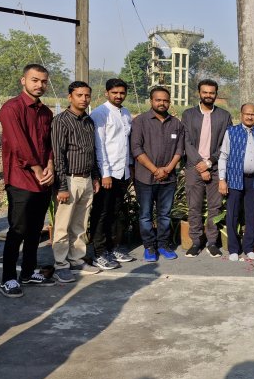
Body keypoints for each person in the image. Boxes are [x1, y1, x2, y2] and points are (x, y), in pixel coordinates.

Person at [0, 64, 56, 297]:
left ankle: (28, 272)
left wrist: (50, 165)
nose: (39, 85)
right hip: (21, 178)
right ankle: (8, 278)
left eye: (43, 81)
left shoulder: (45, 112)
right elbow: (18, 143)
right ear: (23, 80)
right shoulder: (11, 109)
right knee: (18, 229)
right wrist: (37, 168)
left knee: (34, 229)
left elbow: (48, 144)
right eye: (34, 80)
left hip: (42, 178)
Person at [51, 81, 100, 283]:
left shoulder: (89, 121)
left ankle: (77, 259)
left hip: (86, 179)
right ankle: (60, 265)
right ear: (70, 97)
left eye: (87, 95)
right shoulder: (61, 121)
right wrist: (62, 186)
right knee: (62, 226)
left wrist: (95, 176)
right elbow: (58, 156)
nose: (84, 99)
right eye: (79, 95)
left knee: (80, 224)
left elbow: (92, 151)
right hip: (69, 180)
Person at [130, 86, 185, 262]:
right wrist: (155, 170)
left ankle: (163, 244)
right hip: (145, 178)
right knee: (145, 214)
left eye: (165, 100)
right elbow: (136, 149)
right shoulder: (140, 121)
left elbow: (179, 150)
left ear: (169, 102)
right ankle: (149, 247)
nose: (162, 103)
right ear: (151, 101)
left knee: (165, 214)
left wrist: (167, 170)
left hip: (168, 179)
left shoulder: (176, 124)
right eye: (158, 100)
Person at [181, 79, 232, 258]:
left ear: (216, 94)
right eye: (205, 92)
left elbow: (226, 144)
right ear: (199, 93)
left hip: (216, 167)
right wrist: (200, 165)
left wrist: (209, 163)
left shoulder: (224, 116)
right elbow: (185, 141)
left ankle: (212, 242)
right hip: (193, 167)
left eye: (212, 92)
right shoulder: (188, 114)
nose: (208, 95)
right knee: (194, 206)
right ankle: (196, 242)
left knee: (215, 207)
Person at [88, 78, 134, 270]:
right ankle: (98, 253)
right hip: (108, 173)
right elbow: (100, 146)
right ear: (107, 93)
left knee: (115, 212)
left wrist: (129, 166)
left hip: (122, 172)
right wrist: (104, 174)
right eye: (114, 92)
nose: (118, 96)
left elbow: (125, 143)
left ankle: (111, 247)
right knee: (101, 212)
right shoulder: (100, 113)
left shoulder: (125, 113)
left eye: (122, 93)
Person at [218, 103, 254, 261]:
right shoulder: (231, 132)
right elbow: (223, 156)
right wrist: (222, 179)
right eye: (247, 114)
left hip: (253, 180)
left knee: (250, 215)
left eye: (252, 114)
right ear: (241, 114)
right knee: (233, 214)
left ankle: (249, 247)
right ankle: (234, 249)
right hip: (234, 178)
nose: (249, 117)